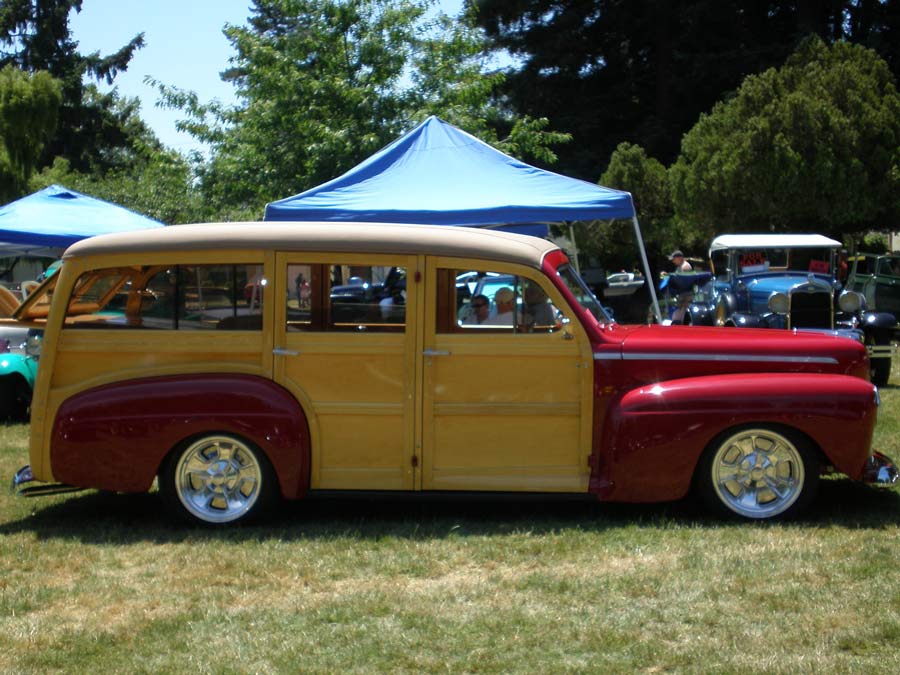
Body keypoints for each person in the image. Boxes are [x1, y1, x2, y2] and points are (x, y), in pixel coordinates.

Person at [668, 249, 693, 323]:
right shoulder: (680, 267)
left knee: (681, 314)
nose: (673, 261)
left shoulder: (685, 267)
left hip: (686, 295)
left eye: (674, 259)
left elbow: (684, 281)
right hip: (681, 294)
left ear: (679, 258)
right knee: (677, 315)